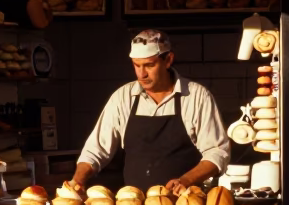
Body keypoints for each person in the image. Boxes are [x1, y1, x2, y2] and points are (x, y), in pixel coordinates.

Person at [72, 30, 230, 194]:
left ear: (168, 60)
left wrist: (186, 180)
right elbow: (95, 150)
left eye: (149, 65)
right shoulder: (123, 97)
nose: (142, 74)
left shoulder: (196, 96)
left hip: (186, 204)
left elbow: (217, 152)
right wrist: (78, 180)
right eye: (136, 65)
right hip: (136, 204)